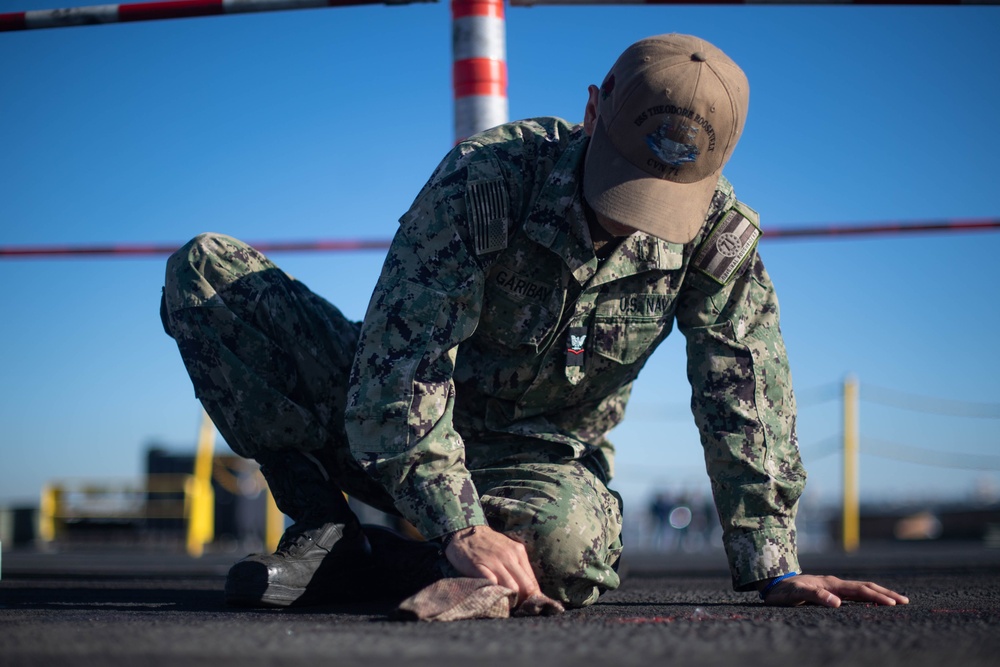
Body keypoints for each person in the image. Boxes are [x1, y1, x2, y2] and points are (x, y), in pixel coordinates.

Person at [161, 33, 908, 612]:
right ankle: (323, 529)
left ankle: (377, 562)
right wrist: (457, 523)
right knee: (206, 273)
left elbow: (742, 391)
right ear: (590, 112)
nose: (627, 224)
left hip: (531, 464)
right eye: (619, 184)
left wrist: (775, 564)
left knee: (571, 546)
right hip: (392, 422)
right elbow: (402, 364)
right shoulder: (488, 181)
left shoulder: (717, 235)